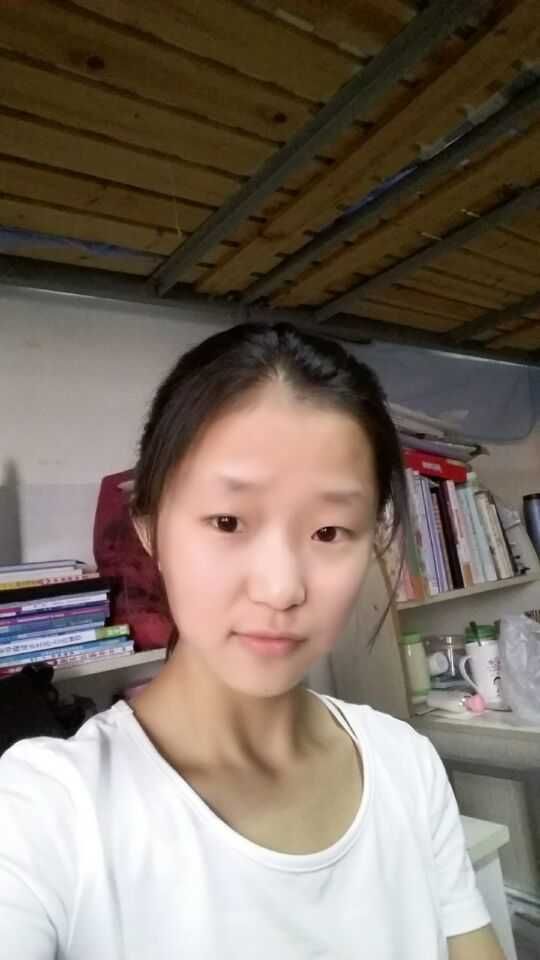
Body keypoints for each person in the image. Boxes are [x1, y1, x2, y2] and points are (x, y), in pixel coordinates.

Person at [0, 322, 505, 959]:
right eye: (227, 521)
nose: (281, 588)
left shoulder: (405, 764)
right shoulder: (44, 811)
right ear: (150, 528)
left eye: (329, 532)